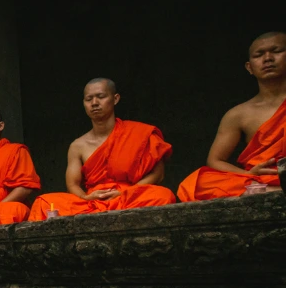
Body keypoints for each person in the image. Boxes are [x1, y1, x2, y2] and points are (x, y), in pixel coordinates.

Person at [28, 78, 175, 220]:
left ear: (115, 99)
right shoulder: (78, 145)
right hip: (92, 202)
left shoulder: (139, 132)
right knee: (43, 203)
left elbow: (158, 174)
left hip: (128, 196)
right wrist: (86, 197)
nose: (94, 103)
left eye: (101, 97)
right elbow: (72, 184)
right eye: (89, 99)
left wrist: (123, 192)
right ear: (84, 104)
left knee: (163, 195)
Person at [178, 32, 286, 201]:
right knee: (197, 182)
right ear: (249, 67)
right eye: (259, 55)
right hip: (260, 181)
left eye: (276, 51)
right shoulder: (238, 114)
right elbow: (215, 160)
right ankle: (273, 191)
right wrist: (247, 174)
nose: (267, 58)